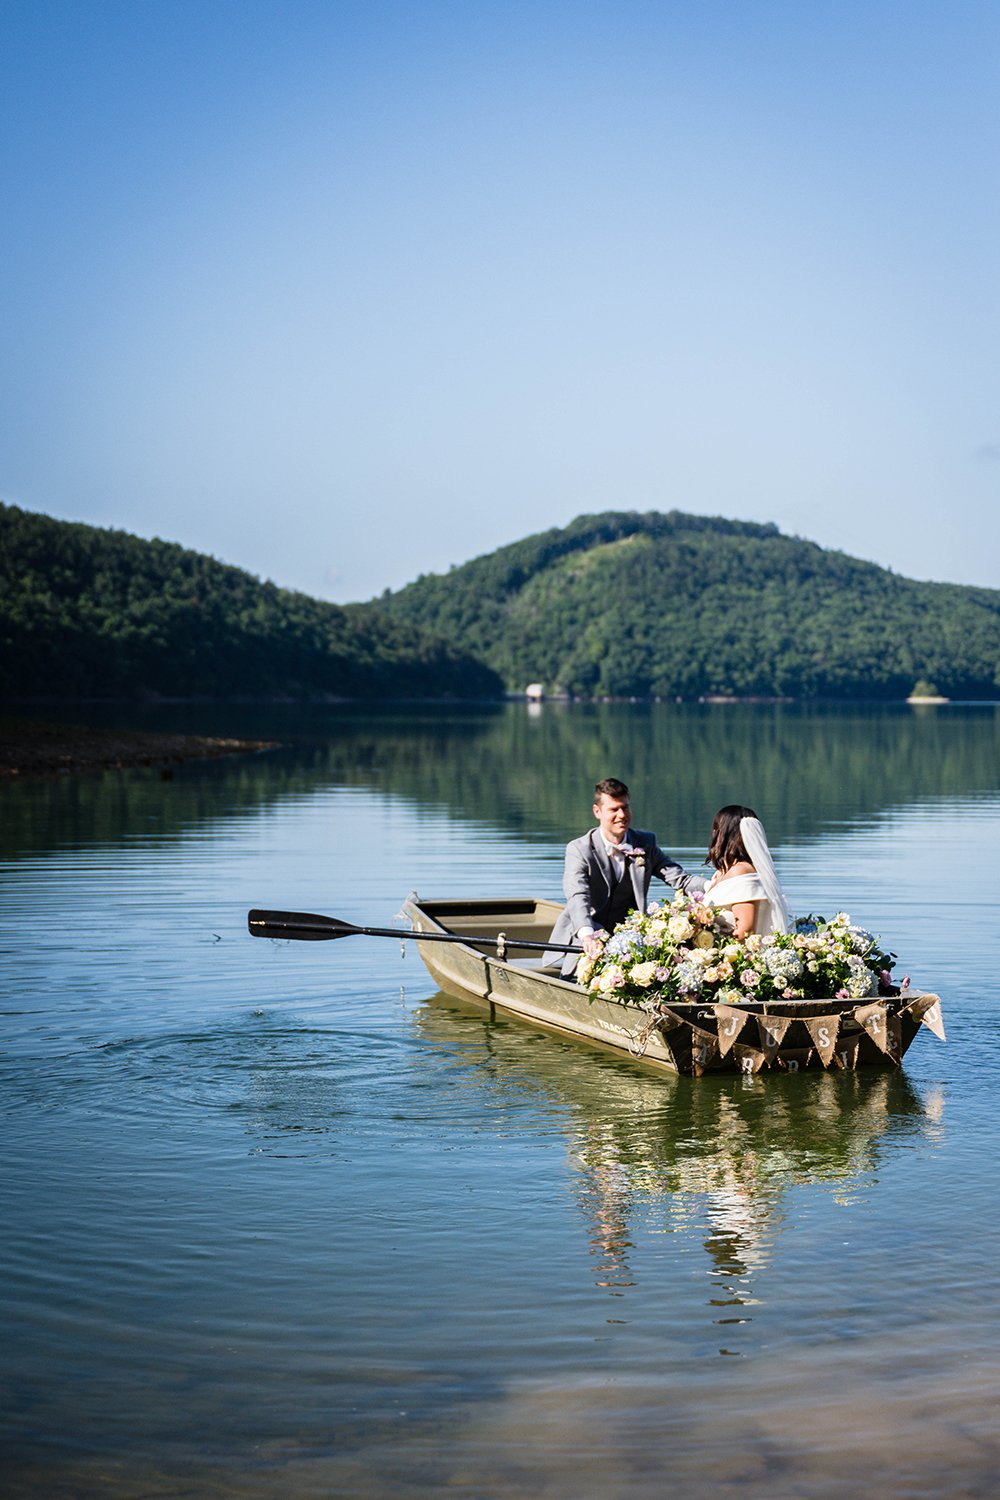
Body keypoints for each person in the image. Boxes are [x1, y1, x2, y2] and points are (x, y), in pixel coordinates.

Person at [546, 777, 704, 977]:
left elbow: (681, 880)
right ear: (597, 811)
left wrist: (714, 885)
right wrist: (588, 936)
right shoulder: (579, 849)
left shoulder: (645, 843)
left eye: (625, 808)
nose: (622, 815)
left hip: (630, 937)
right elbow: (578, 896)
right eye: (614, 809)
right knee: (576, 979)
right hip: (587, 931)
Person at [703, 805, 789, 937]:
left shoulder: (742, 871)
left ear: (723, 834)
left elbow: (745, 931)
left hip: (733, 956)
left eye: (715, 829)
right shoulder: (722, 873)